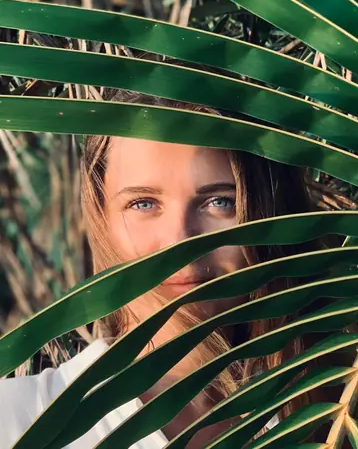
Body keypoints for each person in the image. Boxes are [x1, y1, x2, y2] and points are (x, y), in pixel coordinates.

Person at [0, 91, 328, 448]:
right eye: (143, 203)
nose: (180, 242)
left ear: (266, 213)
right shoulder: (19, 419)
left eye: (220, 202)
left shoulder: (336, 409)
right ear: (99, 218)